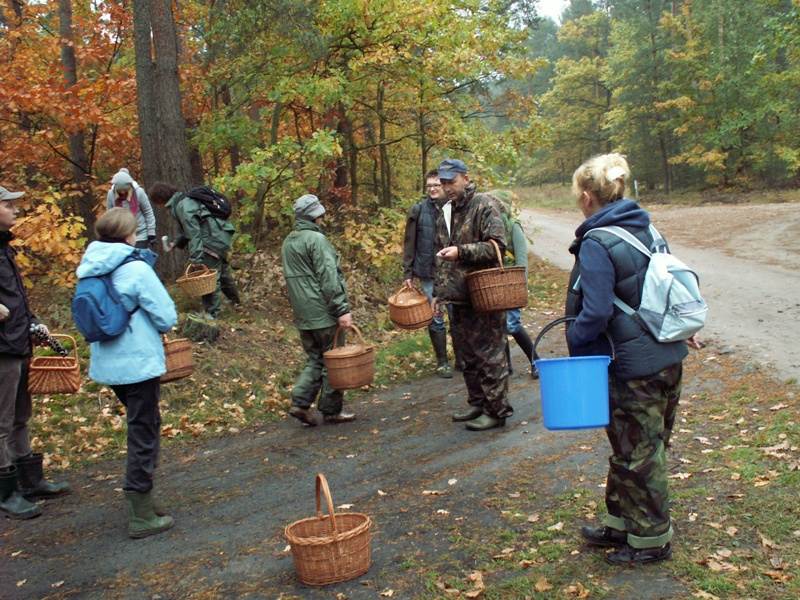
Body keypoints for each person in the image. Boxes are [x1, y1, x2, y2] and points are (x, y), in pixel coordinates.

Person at [565, 153, 699, 565]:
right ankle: (618, 523)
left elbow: (597, 310)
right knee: (637, 448)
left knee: (638, 453)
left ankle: (651, 540)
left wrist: (575, 341)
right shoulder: (647, 227)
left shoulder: (597, 241)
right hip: (665, 356)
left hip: (630, 366)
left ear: (588, 197)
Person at [76, 208, 177, 539]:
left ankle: (144, 499)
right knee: (144, 432)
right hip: (137, 362)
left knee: (142, 426)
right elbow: (165, 316)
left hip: (109, 364)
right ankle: (140, 513)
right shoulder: (135, 267)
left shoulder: (90, 267)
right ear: (129, 234)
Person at [0, 185, 71, 520]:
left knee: (19, 417)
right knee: (1, 422)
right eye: (7, 204)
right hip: (1, 349)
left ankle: (29, 481)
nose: (15, 210)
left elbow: (15, 300)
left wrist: (34, 323)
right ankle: (6, 492)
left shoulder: (5, 249)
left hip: (17, 343)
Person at [433, 159, 512, 431]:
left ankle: (496, 410)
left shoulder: (484, 205)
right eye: (443, 182)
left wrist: (462, 251)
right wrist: (438, 293)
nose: (447, 187)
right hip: (458, 296)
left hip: (484, 295)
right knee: (466, 355)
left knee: (489, 354)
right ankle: (478, 403)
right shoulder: (447, 210)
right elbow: (442, 254)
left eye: (451, 182)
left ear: (465, 178)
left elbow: (497, 247)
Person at [281, 194, 356, 427]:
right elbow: (328, 278)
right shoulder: (316, 240)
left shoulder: (289, 241)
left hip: (303, 314)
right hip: (323, 311)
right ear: (316, 215)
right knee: (333, 360)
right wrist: (342, 308)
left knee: (315, 359)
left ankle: (300, 403)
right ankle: (331, 411)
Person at [149, 182, 240, 319]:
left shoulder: (183, 206)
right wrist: (177, 243)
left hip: (211, 241)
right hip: (220, 237)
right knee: (222, 273)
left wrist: (197, 258)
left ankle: (212, 314)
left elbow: (194, 233)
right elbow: (192, 230)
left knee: (207, 278)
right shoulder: (185, 202)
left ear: (160, 199)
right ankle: (236, 304)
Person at [402, 170, 454, 378]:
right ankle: (442, 362)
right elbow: (409, 242)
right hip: (428, 273)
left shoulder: (454, 208)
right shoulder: (418, 210)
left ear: (444, 186)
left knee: (457, 315)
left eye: (436, 185)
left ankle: (463, 358)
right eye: (429, 185)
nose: (432, 189)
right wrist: (408, 273)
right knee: (436, 317)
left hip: (452, 272)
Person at [490, 190, 538, 379]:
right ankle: (506, 366)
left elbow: (521, 259)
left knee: (512, 324)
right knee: (499, 325)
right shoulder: (489, 226)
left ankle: (536, 361)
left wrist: (521, 284)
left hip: (512, 283)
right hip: (495, 283)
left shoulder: (513, 227)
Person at [106, 168, 157, 250]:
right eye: (120, 192)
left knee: (137, 260)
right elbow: (109, 216)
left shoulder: (139, 192)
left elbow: (148, 212)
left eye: (125, 191)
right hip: (121, 235)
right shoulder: (111, 194)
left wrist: (151, 232)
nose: (122, 194)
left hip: (140, 234)